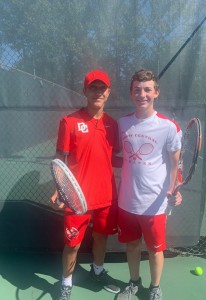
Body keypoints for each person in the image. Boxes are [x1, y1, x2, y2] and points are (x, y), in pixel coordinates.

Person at [50, 70, 121, 300]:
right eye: (93, 87)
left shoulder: (113, 125)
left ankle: (97, 272)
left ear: (109, 93)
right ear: (85, 91)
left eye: (102, 88)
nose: (98, 92)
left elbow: (114, 157)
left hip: (106, 196)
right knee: (72, 244)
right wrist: (59, 189)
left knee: (101, 237)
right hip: (75, 196)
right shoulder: (69, 122)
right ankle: (66, 282)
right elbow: (60, 159)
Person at [116, 69, 182, 300]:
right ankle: (134, 282)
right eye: (137, 89)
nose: (142, 94)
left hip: (154, 204)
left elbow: (175, 165)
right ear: (131, 93)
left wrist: (175, 189)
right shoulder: (122, 124)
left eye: (147, 89)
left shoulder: (168, 127)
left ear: (156, 92)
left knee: (155, 249)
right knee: (132, 246)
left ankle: (155, 288)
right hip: (126, 201)